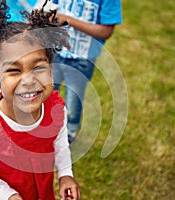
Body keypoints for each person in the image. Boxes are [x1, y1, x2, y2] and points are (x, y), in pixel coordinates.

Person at [0, 0, 80, 199]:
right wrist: (7, 195)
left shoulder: (55, 108)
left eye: (39, 68)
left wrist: (65, 174)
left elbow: (60, 143)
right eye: (14, 70)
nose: (29, 80)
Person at [46, 0, 122, 143]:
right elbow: (54, 7)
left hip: (82, 60)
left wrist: (69, 20)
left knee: (73, 101)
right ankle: (45, 127)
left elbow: (105, 32)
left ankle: (70, 132)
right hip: (56, 52)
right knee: (47, 92)